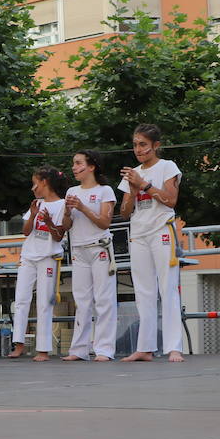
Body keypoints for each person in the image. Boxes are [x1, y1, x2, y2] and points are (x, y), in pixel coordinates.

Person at [119, 124, 185, 362]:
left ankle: (173, 347)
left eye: (143, 144)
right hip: (138, 234)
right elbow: (125, 212)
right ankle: (144, 347)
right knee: (143, 292)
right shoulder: (132, 174)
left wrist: (144, 184)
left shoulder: (167, 167)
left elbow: (170, 200)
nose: (138, 149)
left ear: (156, 145)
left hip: (161, 231)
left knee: (168, 289)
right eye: (135, 144)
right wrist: (134, 190)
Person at [62, 149, 117, 362]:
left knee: (104, 299)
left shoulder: (105, 191)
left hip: (99, 247)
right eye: (74, 163)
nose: (74, 167)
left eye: (78, 163)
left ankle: (104, 349)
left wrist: (82, 207)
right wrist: (67, 212)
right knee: (82, 300)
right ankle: (79, 349)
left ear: (91, 166)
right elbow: (66, 225)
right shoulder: (71, 191)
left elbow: (105, 222)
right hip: (78, 249)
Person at [9, 167, 68, 361]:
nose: (33, 188)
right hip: (29, 256)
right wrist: (33, 215)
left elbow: (59, 235)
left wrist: (49, 222)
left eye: (35, 183)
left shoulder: (62, 204)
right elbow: (26, 232)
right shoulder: (36, 203)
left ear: (44, 182)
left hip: (49, 257)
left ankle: (43, 349)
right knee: (21, 300)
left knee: (44, 302)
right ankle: (18, 344)